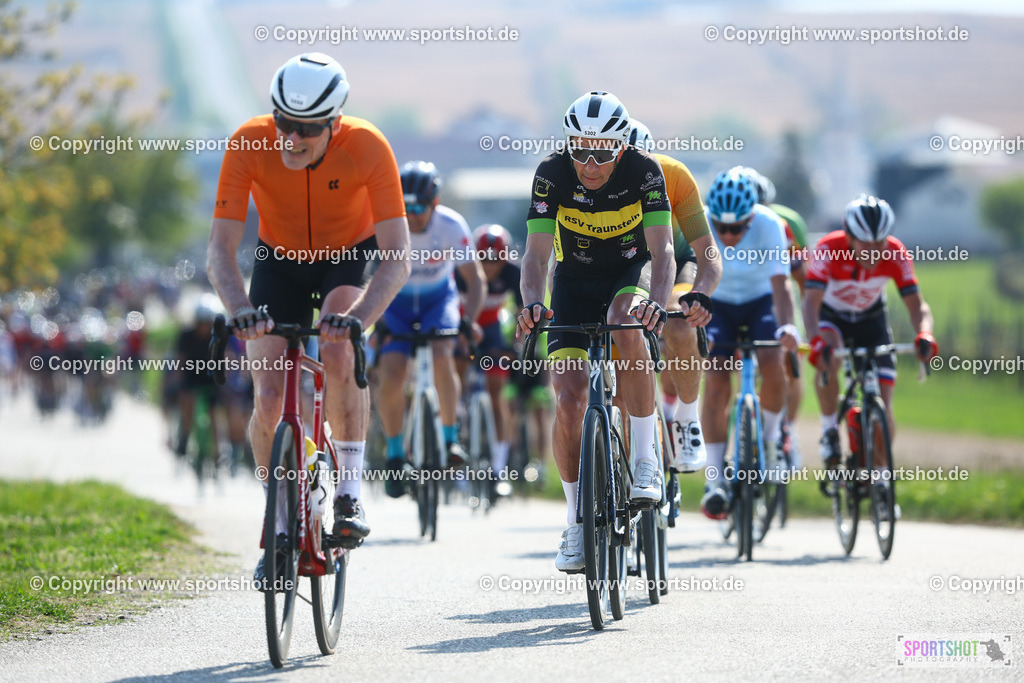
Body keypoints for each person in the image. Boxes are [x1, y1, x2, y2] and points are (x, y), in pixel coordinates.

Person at [206, 53, 411, 587]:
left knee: (339, 346)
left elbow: (397, 255)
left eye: (306, 130)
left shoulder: (367, 145)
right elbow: (221, 253)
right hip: (280, 262)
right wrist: (240, 313)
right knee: (270, 398)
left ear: (334, 123)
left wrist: (361, 319)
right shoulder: (248, 142)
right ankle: (278, 524)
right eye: (283, 124)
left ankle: (347, 495)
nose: (290, 140)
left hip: (350, 254)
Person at [518, 91, 675, 573]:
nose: (590, 163)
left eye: (603, 152)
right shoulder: (551, 173)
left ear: (622, 148)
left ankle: (645, 460)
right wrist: (532, 304)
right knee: (567, 397)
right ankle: (575, 520)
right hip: (573, 280)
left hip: (631, 272)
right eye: (580, 150)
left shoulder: (645, 171)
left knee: (626, 322)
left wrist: (658, 301)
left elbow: (664, 250)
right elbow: (537, 256)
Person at [803, 195, 937, 474]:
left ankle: (881, 476)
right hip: (833, 319)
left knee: (884, 408)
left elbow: (917, 306)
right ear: (849, 237)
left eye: (880, 243)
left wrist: (924, 334)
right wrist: (815, 340)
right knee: (830, 353)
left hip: (872, 321)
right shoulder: (829, 248)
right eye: (866, 244)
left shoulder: (896, 253)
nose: (874, 252)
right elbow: (810, 303)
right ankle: (829, 430)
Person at [375, 161, 486, 498]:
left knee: (443, 356)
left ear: (434, 203)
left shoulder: (452, 226)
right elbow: (368, 275)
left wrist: (470, 320)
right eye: (404, 207)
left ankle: (451, 439)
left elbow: (475, 279)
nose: (411, 215)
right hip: (395, 305)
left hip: (439, 302)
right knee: (391, 374)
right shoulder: (388, 225)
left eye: (419, 208)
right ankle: (395, 455)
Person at [699, 169, 800, 520]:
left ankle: (770, 443)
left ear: (752, 217)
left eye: (736, 228)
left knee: (773, 360)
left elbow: (781, 284)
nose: (727, 235)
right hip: (719, 303)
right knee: (714, 378)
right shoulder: (700, 222)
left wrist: (788, 325)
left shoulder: (771, 225)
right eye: (720, 227)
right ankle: (714, 478)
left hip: (760, 302)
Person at [627, 121, 719, 473]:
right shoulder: (596, 178)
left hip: (680, 261)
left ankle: (685, 416)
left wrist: (700, 295)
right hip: (630, 265)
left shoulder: (676, 176)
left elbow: (708, 253)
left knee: (680, 325)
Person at [741, 166, 809, 466]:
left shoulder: (787, 224)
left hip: (774, 296)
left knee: (789, 362)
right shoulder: (724, 222)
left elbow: (801, 279)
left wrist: (802, 325)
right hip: (739, 296)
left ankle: (786, 433)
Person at [455, 224, 522, 483]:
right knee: (456, 382)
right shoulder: (461, 271)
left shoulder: (512, 273)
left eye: (496, 260)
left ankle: (499, 467)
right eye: (484, 258)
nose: (490, 265)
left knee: (498, 394)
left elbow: (521, 313)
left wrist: (516, 345)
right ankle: (457, 421)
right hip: (462, 328)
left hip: (492, 331)